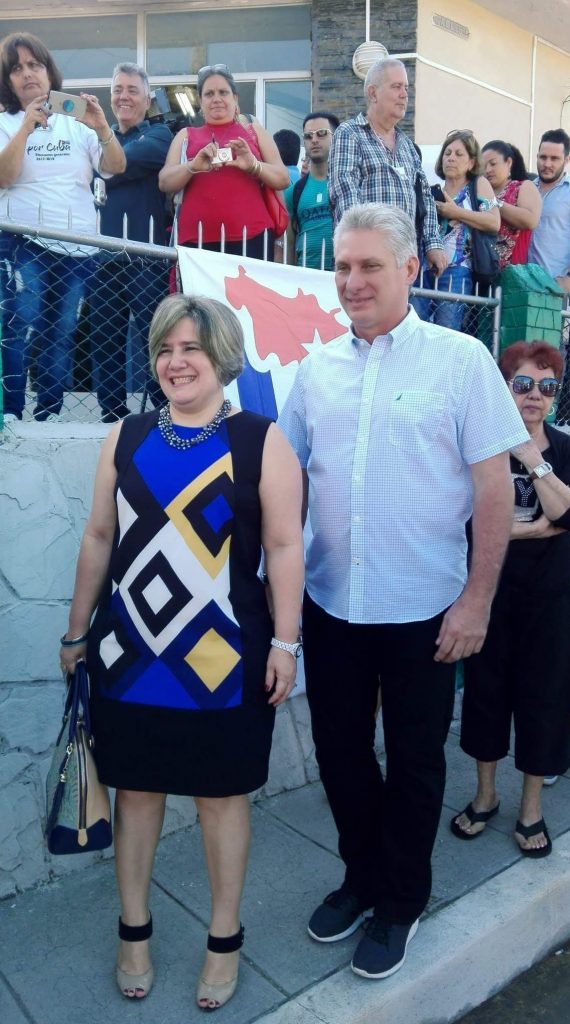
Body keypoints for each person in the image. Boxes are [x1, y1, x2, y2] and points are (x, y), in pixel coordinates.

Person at [278, 203, 528, 980]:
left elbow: (494, 490)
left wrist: (477, 600)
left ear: (411, 271)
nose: (351, 282)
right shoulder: (314, 371)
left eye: (369, 267)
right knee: (341, 753)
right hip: (333, 604)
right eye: (342, 267)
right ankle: (362, 876)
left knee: (417, 759)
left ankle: (401, 901)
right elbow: (284, 488)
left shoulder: (460, 361)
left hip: (428, 607)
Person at [59, 294, 303, 1010]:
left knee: (222, 800)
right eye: (165, 348)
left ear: (222, 356)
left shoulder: (262, 440)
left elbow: (286, 548)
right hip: (129, 651)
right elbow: (99, 538)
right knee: (135, 793)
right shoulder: (127, 437)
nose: (176, 361)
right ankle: (133, 931)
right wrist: (77, 632)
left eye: (192, 348)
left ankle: (223, 939)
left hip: (225, 658)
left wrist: (286, 642)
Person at [452, 341, 570, 857]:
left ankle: (531, 808)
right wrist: (529, 530)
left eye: (546, 387)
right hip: (491, 591)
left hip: (547, 598)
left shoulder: (566, 451)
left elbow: (567, 516)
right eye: (522, 384)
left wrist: (532, 459)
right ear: (504, 388)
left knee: (544, 699)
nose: (534, 397)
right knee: (485, 693)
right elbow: (466, 520)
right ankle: (484, 795)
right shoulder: (481, 447)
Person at [0, 31, 126, 421]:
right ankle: (12, 411)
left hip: (77, 246)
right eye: (16, 69)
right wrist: (26, 128)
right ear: (7, 80)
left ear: (50, 71)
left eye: (34, 65)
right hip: (22, 240)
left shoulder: (78, 123)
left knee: (61, 331)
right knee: (21, 321)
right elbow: (5, 177)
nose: (27, 74)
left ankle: (50, 410)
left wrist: (102, 127)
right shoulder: (5, 123)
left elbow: (116, 166)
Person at [90, 62, 172, 423]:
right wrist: (107, 162)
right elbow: (101, 167)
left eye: (132, 90)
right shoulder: (96, 136)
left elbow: (109, 168)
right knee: (104, 335)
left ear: (147, 97)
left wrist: (104, 166)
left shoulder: (160, 137)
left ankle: (165, 408)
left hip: (146, 255)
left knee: (154, 334)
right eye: (118, 89)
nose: (124, 96)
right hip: (103, 253)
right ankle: (111, 413)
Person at [328, 58, 446, 278]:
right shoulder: (350, 133)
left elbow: (425, 198)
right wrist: (361, 244)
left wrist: (433, 242)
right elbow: (345, 190)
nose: (404, 94)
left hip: (402, 259)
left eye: (406, 88)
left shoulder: (407, 146)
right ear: (373, 93)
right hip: (366, 259)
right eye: (396, 86)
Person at [159, 65, 288, 260]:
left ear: (235, 99)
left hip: (251, 237)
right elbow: (165, 183)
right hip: (196, 241)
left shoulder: (254, 132)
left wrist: (254, 165)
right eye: (209, 94)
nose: (216, 99)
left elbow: (282, 179)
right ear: (200, 102)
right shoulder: (185, 136)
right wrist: (192, 166)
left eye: (223, 92)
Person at [418, 130, 500, 332]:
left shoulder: (478, 185)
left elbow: (494, 222)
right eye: (447, 153)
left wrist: (456, 212)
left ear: (471, 162)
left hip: (457, 270)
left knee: (447, 331)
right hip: (425, 268)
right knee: (417, 326)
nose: (451, 158)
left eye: (458, 154)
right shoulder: (433, 190)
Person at [285, 111, 339, 270]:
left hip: (342, 280)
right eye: (308, 136)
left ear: (336, 137)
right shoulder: (294, 192)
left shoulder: (349, 185)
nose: (314, 140)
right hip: (306, 281)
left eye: (322, 134)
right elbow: (290, 243)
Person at [528, 129, 570, 296]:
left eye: (554, 158)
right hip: (521, 283)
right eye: (543, 157)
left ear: (567, 159)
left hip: (553, 288)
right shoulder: (525, 189)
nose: (547, 164)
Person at [481, 140, 542, 268]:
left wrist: (494, 203)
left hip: (511, 273)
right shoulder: (479, 191)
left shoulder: (523, 186)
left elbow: (530, 220)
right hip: (479, 269)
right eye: (483, 165)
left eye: (493, 164)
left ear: (508, 162)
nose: (487, 170)